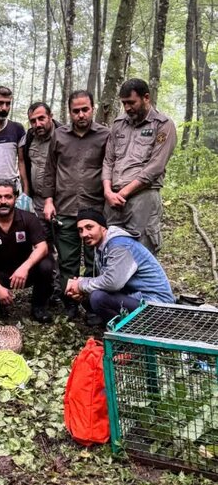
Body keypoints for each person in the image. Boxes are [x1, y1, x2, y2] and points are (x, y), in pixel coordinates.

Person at [42, 90, 110, 320]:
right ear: (69, 112)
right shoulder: (59, 136)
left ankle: (93, 306)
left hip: (94, 209)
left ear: (93, 108)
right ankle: (70, 304)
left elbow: (110, 169)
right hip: (65, 208)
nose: (81, 115)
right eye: (76, 111)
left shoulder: (104, 135)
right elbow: (50, 170)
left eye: (85, 109)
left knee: (95, 260)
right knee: (67, 260)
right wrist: (48, 200)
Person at [102, 78, 177, 254]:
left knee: (141, 252)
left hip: (142, 197)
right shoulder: (119, 124)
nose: (127, 108)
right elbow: (108, 160)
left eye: (131, 102)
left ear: (146, 98)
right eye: (124, 103)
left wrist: (124, 193)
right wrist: (107, 192)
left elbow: (156, 166)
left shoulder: (163, 125)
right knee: (113, 251)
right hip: (113, 199)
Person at [65, 209, 175, 324]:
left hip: (157, 305)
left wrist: (81, 284)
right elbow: (106, 282)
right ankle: (126, 327)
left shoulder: (119, 245)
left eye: (89, 227)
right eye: (80, 230)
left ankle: (127, 332)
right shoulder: (102, 246)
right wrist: (81, 288)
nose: (84, 234)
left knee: (98, 297)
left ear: (102, 227)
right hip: (138, 297)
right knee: (91, 294)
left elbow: (113, 283)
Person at [0, 180, 54, 322]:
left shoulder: (28, 219)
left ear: (15, 197)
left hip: (24, 273)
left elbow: (42, 247)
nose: (3, 201)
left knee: (46, 265)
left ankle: (39, 307)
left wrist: (25, 267)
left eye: (8, 197)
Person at [22, 101, 60, 221]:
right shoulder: (30, 137)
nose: (37, 124)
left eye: (41, 118)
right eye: (33, 121)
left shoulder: (64, 135)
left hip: (60, 201)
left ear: (50, 116)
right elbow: (23, 163)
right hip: (37, 201)